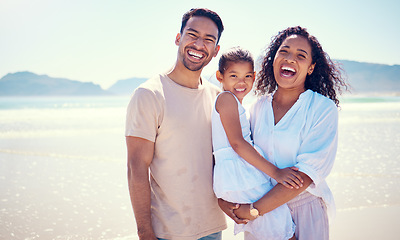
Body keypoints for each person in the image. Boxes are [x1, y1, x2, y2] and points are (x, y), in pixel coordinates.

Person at [218, 26, 349, 240]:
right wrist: (225, 200)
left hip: (301, 212)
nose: (290, 59)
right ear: (273, 58)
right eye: (284, 51)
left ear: (310, 68)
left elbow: (305, 176)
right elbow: (241, 157)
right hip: (261, 218)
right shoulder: (258, 107)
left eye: (301, 55)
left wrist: (253, 210)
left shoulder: (322, 108)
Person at [125, 8, 227, 240]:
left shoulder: (218, 98)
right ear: (178, 38)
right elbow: (136, 167)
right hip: (167, 232)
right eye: (192, 34)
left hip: (212, 228)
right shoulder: (149, 94)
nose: (199, 44)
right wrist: (144, 232)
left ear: (215, 51)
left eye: (208, 40)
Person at [211, 47, 304, 240]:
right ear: (220, 76)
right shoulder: (226, 99)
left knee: (275, 229)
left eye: (247, 76)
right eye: (233, 75)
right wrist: (276, 172)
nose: (241, 82)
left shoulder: (235, 103)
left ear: (254, 77)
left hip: (241, 174)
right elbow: (237, 143)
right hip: (241, 175)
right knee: (281, 230)